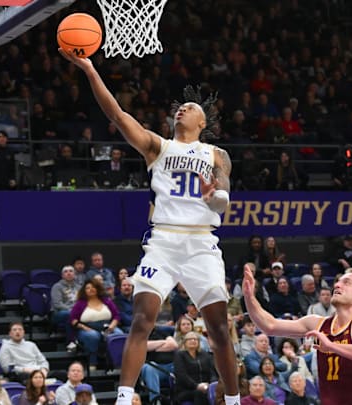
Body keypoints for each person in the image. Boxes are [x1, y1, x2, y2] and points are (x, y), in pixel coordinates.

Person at [60, 46, 238, 405]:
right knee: (142, 318)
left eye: (190, 108)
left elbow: (225, 199)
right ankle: (125, 398)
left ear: (202, 123)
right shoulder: (158, 147)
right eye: (179, 108)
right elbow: (116, 112)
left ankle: (233, 399)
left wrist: (212, 194)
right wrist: (90, 70)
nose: (182, 109)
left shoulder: (216, 155)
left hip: (202, 242)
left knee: (219, 328)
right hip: (164, 241)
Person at [243, 267, 352, 404]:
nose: (337, 284)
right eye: (338, 281)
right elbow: (270, 326)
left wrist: (331, 346)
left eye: (346, 282)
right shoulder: (318, 323)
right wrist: (249, 297)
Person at [69, 278, 123, 371]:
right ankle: (92, 362)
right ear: (84, 291)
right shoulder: (80, 303)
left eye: (93, 287)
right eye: (88, 288)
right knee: (93, 336)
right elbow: (72, 319)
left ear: (97, 288)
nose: (91, 289)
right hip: (87, 328)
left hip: (107, 326)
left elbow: (116, 315)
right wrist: (84, 327)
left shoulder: (106, 301)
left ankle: (117, 363)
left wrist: (112, 326)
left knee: (118, 335)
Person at [173, 331, 217, 405]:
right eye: (189, 339)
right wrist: (196, 386)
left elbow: (212, 372)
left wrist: (211, 384)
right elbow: (181, 375)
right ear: (184, 342)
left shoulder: (205, 354)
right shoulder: (180, 355)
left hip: (206, 387)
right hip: (186, 389)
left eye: (195, 339)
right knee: (200, 393)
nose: (193, 341)